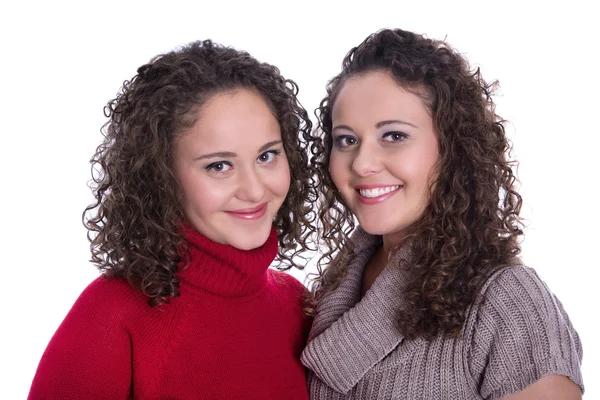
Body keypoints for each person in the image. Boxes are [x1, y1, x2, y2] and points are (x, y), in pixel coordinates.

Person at [28, 39, 319, 400]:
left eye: (266, 156)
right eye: (219, 165)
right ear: (162, 176)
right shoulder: (112, 316)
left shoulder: (297, 305)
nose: (255, 190)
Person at [302, 28, 584, 399]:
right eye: (347, 140)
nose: (363, 163)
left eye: (394, 136)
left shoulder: (508, 302)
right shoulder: (331, 293)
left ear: (452, 148)